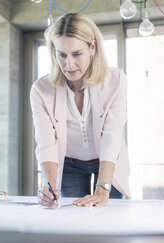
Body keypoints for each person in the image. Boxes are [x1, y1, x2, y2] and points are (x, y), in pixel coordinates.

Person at [30, 12, 131, 207]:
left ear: (92, 47)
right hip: (70, 164)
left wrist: (102, 190)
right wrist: (49, 188)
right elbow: (46, 143)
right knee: (73, 216)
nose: (69, 64)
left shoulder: (116, 81)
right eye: (62, 55)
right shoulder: (41, 90)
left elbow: (111, 137)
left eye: (76, 54)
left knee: (107, 214)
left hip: (108, 161)